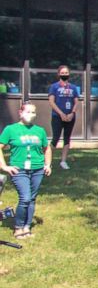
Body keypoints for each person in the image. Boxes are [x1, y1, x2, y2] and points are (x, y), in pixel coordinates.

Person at [0, 102, 51, 240]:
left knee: (32, 199)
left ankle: (27, 227)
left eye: (33, 112)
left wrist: (48, 165)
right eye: (27, 112)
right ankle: (18, 227)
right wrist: (4, 166)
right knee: (25, 198)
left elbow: (46, 148)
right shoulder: (10, 129)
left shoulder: (39, 130)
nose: (30, 115)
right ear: (20, 113)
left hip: (37, 169)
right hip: (19, 169)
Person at [47, 65, 80, 170]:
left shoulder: (73, 87)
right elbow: (51, 102)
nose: (64, 75)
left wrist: (72, 113)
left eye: (66, 73)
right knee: (55, 138)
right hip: (57, 116)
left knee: (67, 139)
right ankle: (47, 161)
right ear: (58, 74)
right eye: (62, 73)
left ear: (69, 74)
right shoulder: (54, 87)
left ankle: (63, 161)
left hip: (70, 117)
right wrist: (61, 113)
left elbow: (76, 102)